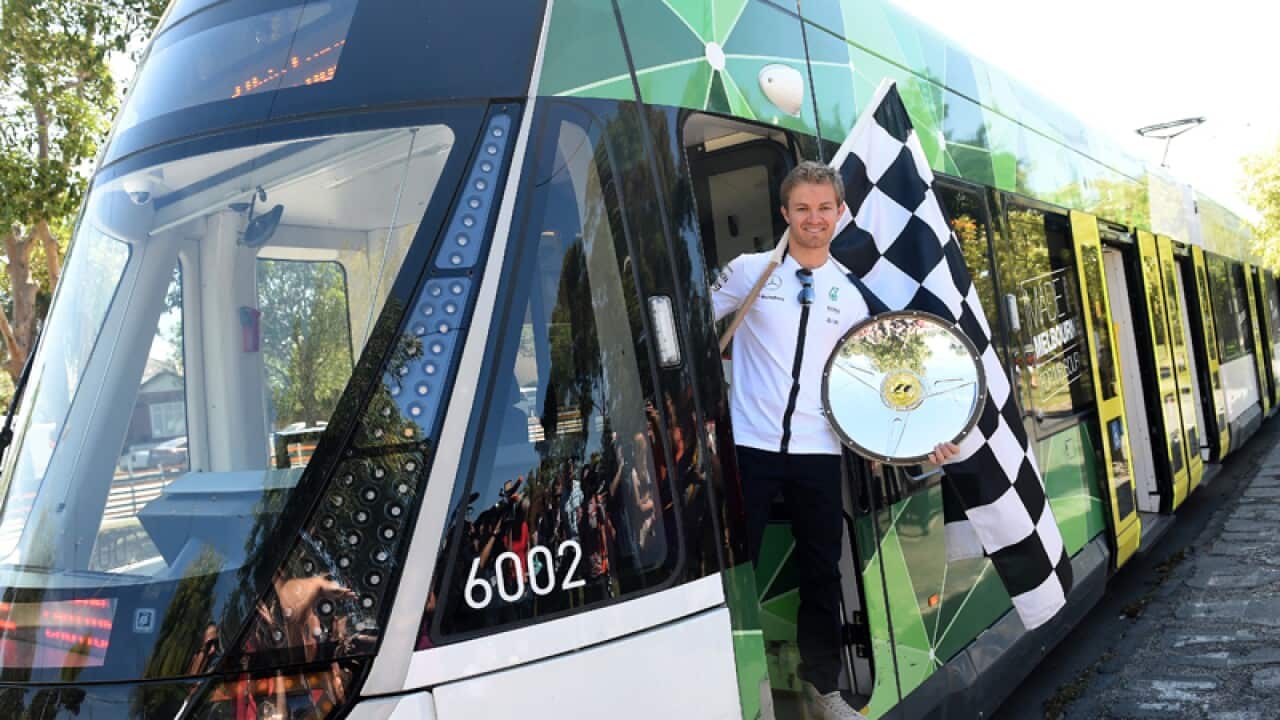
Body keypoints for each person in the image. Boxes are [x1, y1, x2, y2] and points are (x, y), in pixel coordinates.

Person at [712, 160, 958, 720]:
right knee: (738, 572)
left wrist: (929, 436)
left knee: (821, 573)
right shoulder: (751, 269)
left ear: (840, 213)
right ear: (784, 213)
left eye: (824, 208)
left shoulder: (850, 293)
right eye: (802, 208)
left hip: (817, 453)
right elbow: (687, 326)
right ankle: (741, 687)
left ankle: (822, 687)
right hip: (748, 448)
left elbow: (879, 381)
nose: (814, 219)